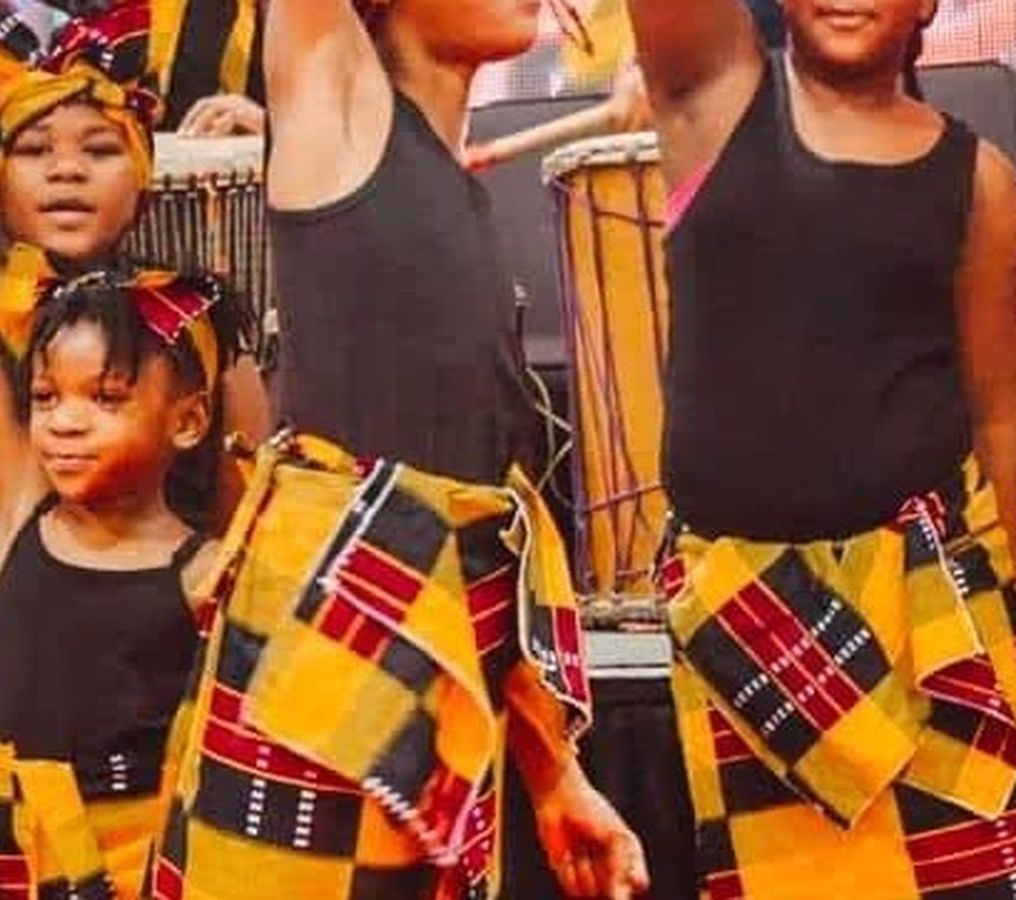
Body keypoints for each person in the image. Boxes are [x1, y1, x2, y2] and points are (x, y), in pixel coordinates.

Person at [145, 2, 648, 900]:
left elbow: (477, 539)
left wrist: (555, 774)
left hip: (426, 688)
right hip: (321, 679)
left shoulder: (447, 183)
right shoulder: (337, 102)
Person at [624, 0, 1016, 896]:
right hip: (746, 628)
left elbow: (1001, 418)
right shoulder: (714, 96)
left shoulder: (981, 180)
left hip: (927, 628)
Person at [0, 54, 242, 898]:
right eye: (45, 398)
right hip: (14, 856)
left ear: (187, 421)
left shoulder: (212, 572)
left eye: (106, 397)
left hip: (148, 862)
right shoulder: (23, 505)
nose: (64, 420)